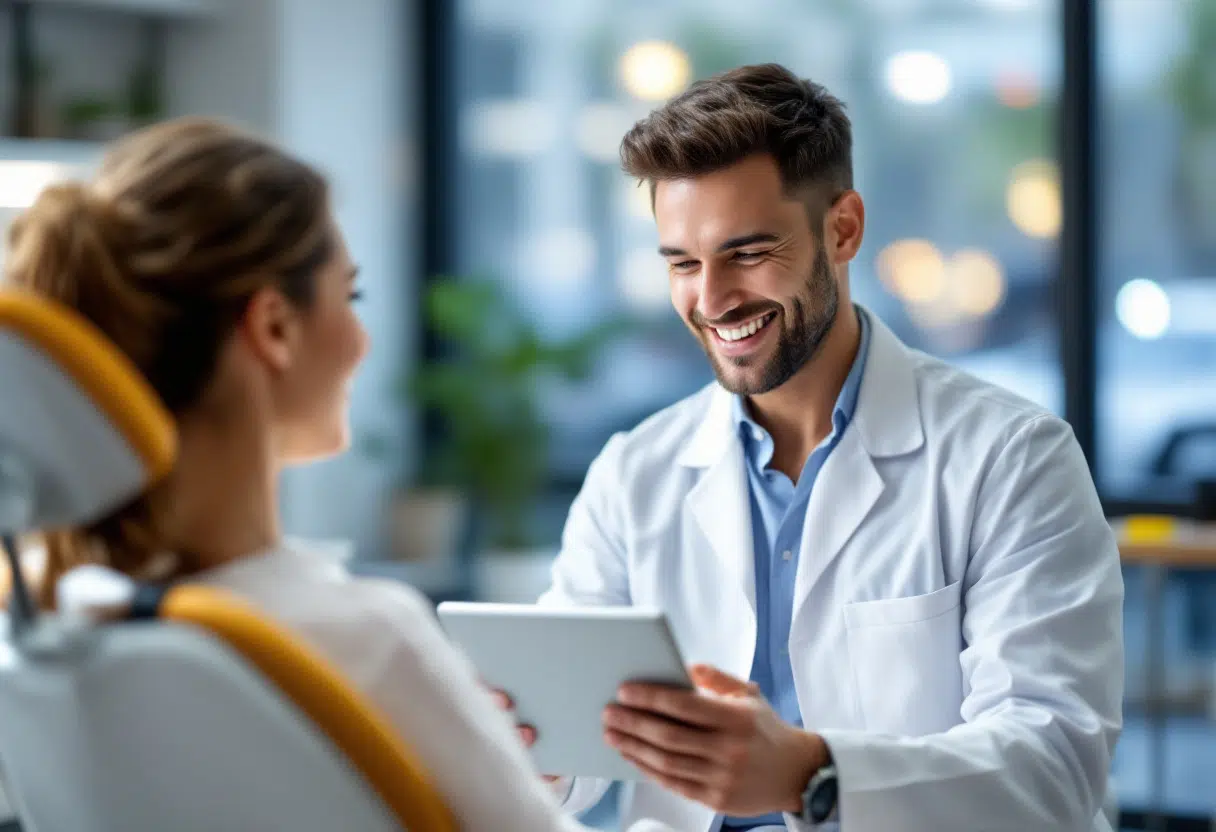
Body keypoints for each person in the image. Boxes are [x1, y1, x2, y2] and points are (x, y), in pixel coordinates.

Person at [3, 117, 671, 832]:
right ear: (274, 329)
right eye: (348, 296)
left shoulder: (43, 634)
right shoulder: (362, 640)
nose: (362, 339)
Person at [505, 63, 1125, 831]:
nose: (711, 298)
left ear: (843, 229)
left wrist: (809, 774)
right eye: (682, 263)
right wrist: (532, 740)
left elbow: (1055, 764)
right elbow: (579, 745)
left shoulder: (1014, 459)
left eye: (748, 252)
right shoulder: (635, 472)